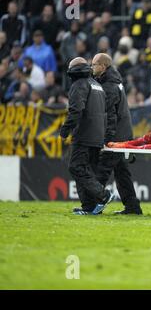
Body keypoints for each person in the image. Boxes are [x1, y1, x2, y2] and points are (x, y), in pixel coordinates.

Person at [59, 57, 114, 215]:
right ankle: (89, 207)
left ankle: (103, 195)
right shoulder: (97, 85)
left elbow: (76, 110)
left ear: (74, 70)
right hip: (97, 136)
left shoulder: (79, 84)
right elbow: (105, 114)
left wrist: (65, 130)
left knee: (76, 167)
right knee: (87, 169)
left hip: (84, 136)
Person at [91, 53, 142, 215]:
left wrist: (106, 140)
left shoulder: (109, 86)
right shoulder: (114, 82)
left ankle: (92, 205)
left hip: (116, 137)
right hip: (123, 134)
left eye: (94, 64)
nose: (92, 67)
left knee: (102, 170)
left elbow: (110, 116)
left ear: (103, 66)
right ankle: (133, 207)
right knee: (122, 173)